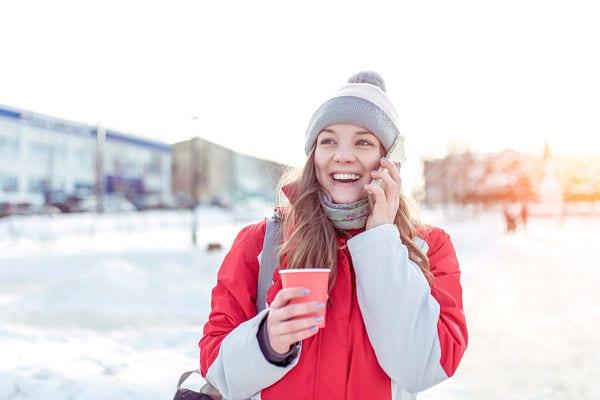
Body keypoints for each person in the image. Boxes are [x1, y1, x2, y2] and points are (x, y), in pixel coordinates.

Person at [199, 71, 468, 400]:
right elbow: (215, 367)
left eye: (363, 142)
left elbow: (424, 367)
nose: (342, 155)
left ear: (390, 161)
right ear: (313, 156)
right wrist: (266, 343)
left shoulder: (426, 247)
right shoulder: (261, 242)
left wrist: (382, 238)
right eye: (328, 140)